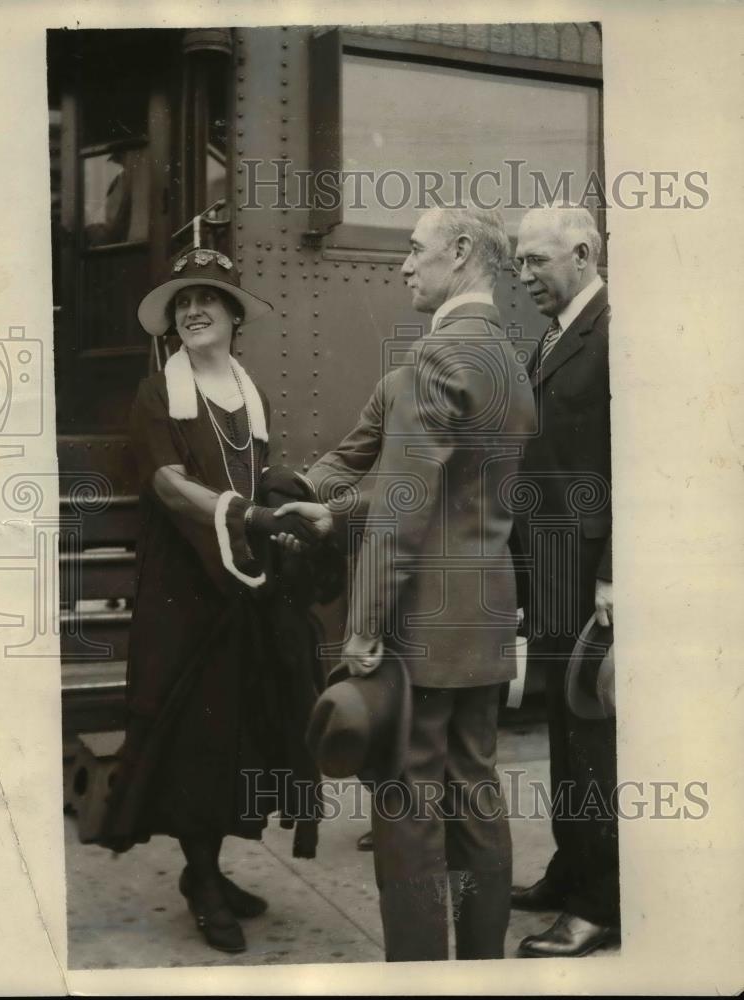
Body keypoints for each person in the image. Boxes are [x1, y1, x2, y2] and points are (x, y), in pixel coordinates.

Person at [276, 206, 536, 961]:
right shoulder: (508, 360)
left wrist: (361, 629)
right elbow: (452, 497)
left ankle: (419, 975)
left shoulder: (434, 359)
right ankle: (483, 970)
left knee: (407, 808)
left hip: (419, 626)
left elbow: (401, 509)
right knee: (476, 794)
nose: (404, 265)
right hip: (483, 620)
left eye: (417, 250)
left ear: (461, 252)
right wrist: (336, 508)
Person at [97, 248, 334, 954]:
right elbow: (169, 485)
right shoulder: (156, 393)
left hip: (240, 584)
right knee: (194, 739)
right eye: (181, 302)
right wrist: (249, 518)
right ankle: (200, 878)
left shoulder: (246, 392)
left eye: (206, 298)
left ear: (233, 315)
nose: (192, 311)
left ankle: (211, 868)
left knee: (236, 729)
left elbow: (256, 480)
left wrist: (278, 522)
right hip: (182, 589)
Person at [510, 205, 619, 957]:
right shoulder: (554, 335)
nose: (523, 276)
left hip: (589, 576)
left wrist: (613, 576)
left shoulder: (616, 332)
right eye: (519, 262)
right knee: (562, 725)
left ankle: (600, 902)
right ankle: (570, 867)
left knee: (593, 738)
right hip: (551, 569)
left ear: (581, 254)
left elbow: (641, 463)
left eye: (536, 261)